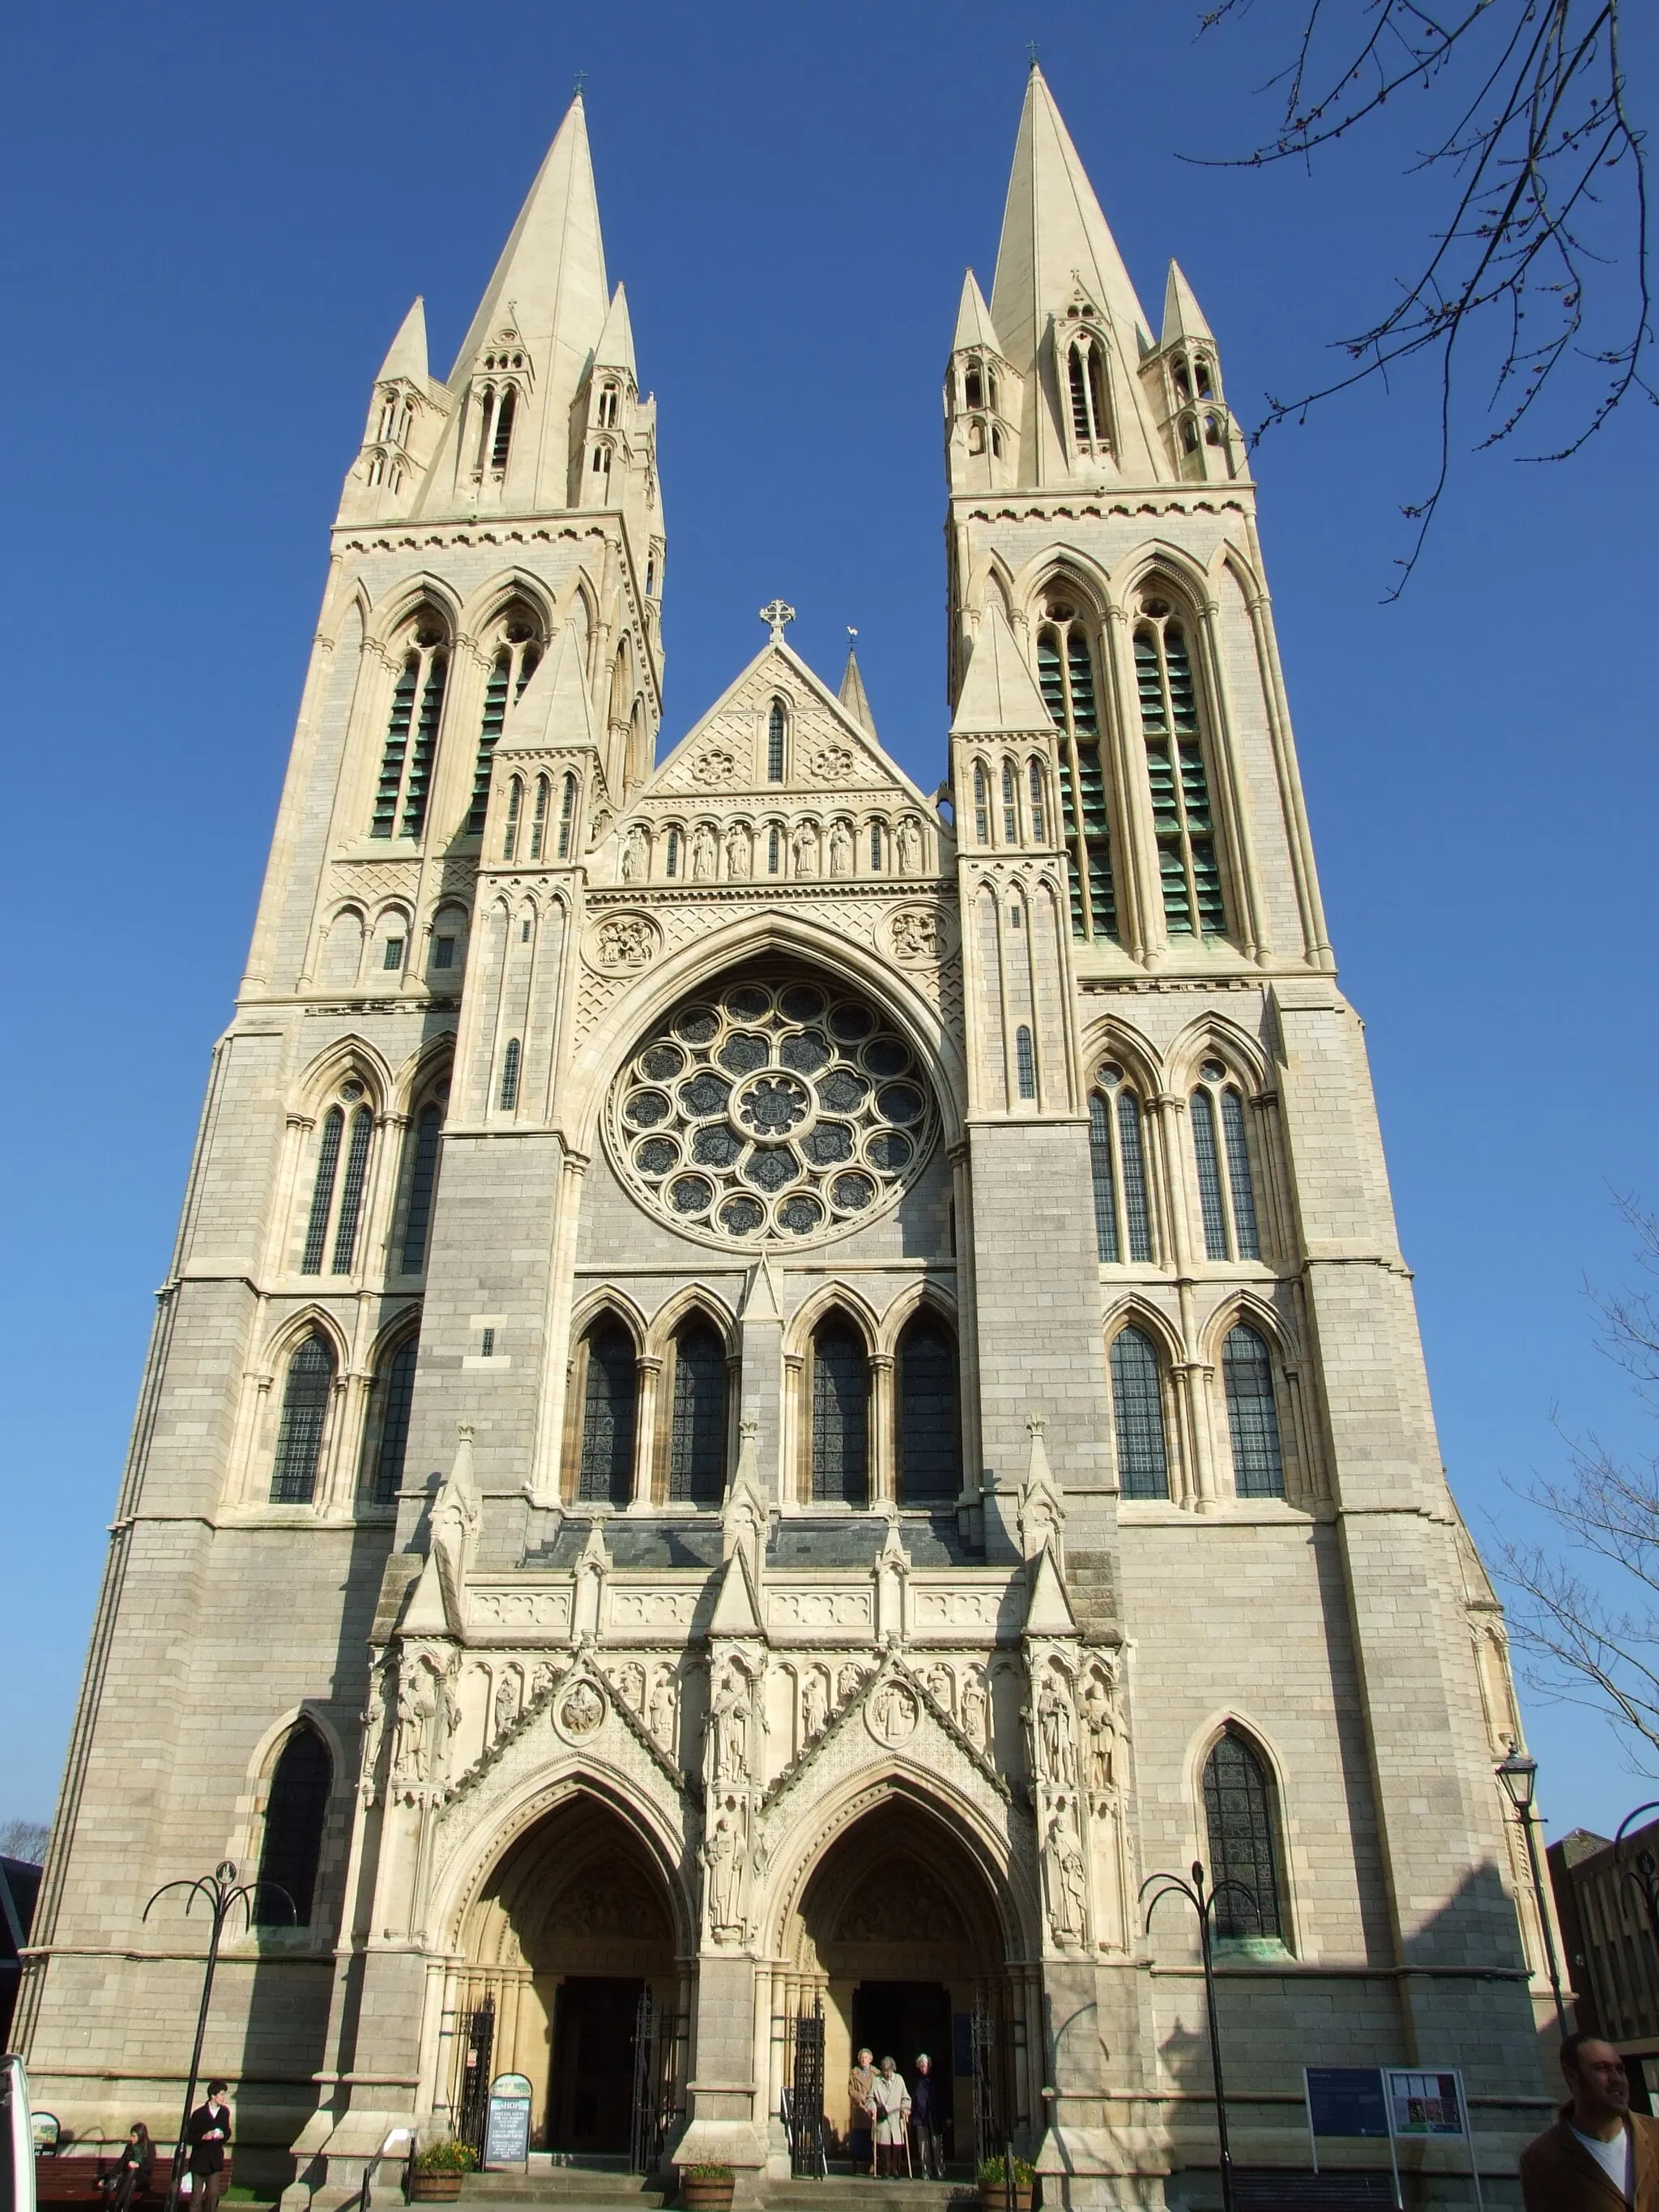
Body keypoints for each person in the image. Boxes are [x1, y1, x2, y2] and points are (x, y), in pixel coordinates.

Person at [1519, 2032, 1659, 2210]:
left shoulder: (1656, 2136)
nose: (1616, 2079)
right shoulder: (1542, 2160)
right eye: (1602, 2068)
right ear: (1572, 2076)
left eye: (1620, 2069)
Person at [185, 2082, 232, 2212]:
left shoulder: (224, 2112)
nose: (223, 2097)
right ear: (213, 2095)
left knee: (213, 2194)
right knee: (196, 2197)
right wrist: (203, 2137)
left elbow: (227, 2130)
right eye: (221, 2094)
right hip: (199, 2161)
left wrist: (224, 2135)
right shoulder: (199, 2114)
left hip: (214, 2160)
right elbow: (189, 2136)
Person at [869, 2056, 911, 2179]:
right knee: (884, 2146)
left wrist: (906, 2108)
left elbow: (906, 2098)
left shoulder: (899, 2079)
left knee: (897, 2146)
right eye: (885, 2071)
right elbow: (870, 2098)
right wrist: (872, 2107)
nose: (887, 2074)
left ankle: (895, 2170)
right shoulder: (876, 2080)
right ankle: (885, 2171)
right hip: (883, 2117)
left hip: (896, 2117)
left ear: (893, 2069)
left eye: (889, 2071)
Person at [103, 2125, 155, 2212]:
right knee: (132, 2180)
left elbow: (149, 2167)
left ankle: (116, 2205)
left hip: (143, 2180)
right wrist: (105, 2178)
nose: (132, 2139)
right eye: (131, 2136)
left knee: (133, 2172)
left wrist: (138, 2165)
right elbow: (120, 2165)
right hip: (129, 2181)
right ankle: (124, 2209)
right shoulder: (129, 2147)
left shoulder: (149, 2146)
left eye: (134, 2136)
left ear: (141, 2136)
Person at [911, 2054, 944, 2180]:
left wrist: (947, 2116)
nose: (922, 2068)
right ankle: (926, 2170)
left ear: (929, 2065)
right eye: (920, 2066)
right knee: (923, 2145)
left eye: (924, 2066)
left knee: (936, 2144)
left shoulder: (936, 2080)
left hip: (934, 2116)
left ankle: (939, 2170)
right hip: (920, 2116)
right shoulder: (916, 2080)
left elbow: (942, 2097)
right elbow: (913, 2097)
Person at [847, 2048, 875, 2175]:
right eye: (862, 2058)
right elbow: (850, 2090)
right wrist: (859, 2096)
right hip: (859, 2109)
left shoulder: (876, 2074)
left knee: (871, 2138)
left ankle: (871, 2163)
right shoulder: (854, 2073)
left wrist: (870, 2099)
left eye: (866, 2058)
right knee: (858, 2139)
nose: (864, 2060)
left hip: (870, 2108)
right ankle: (855, 2164)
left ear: (870, 2059)